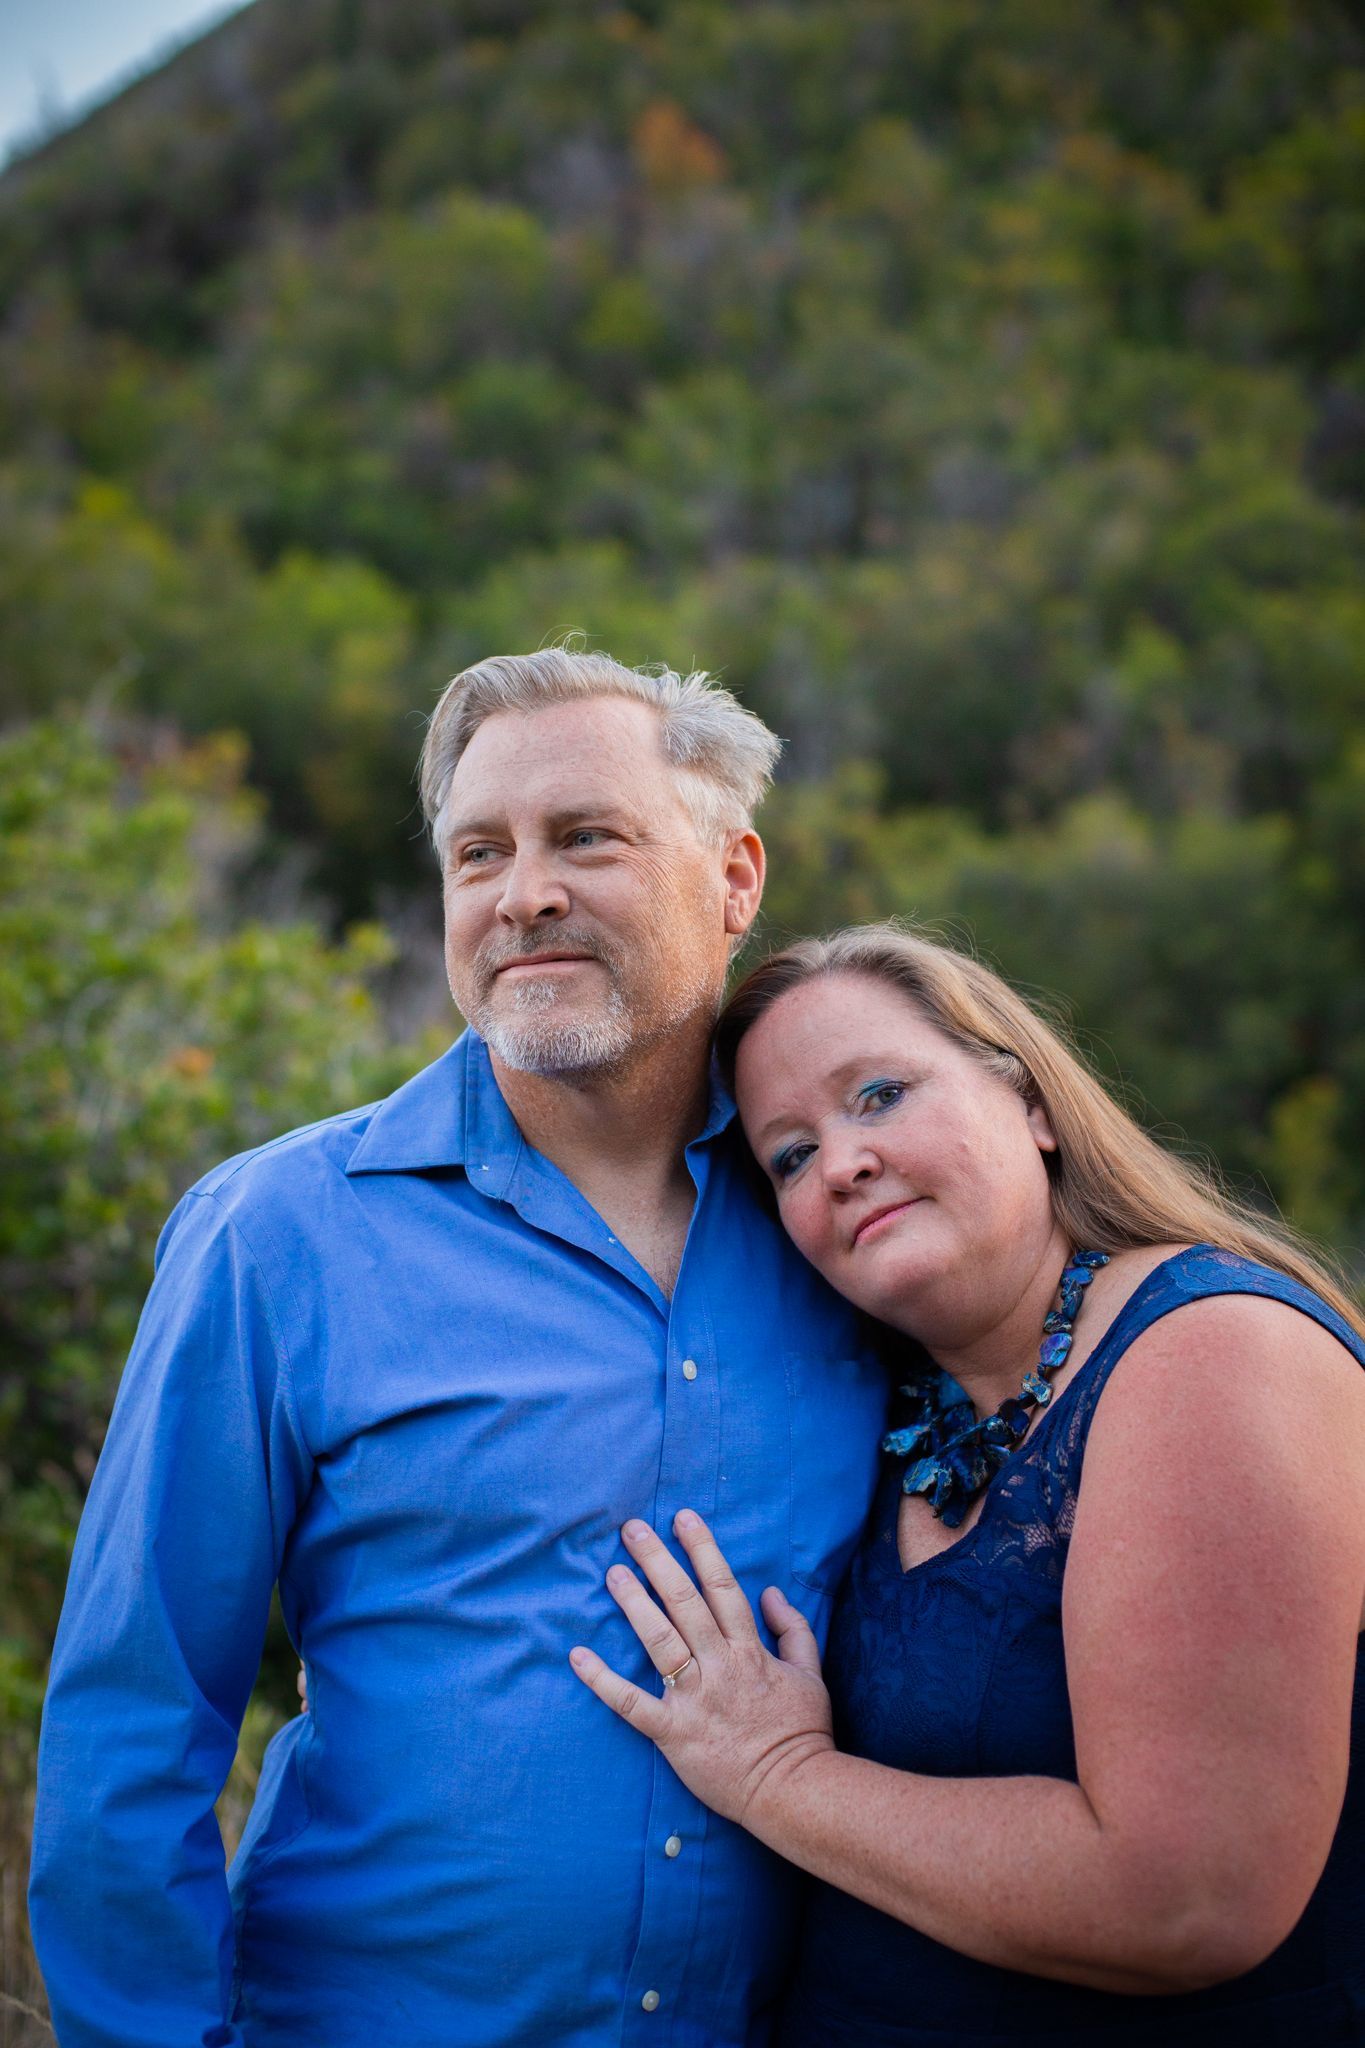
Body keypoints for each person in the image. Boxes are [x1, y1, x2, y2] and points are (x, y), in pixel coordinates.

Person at [27, 652, 890, 2048]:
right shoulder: (278, 1236)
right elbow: (134, 1723)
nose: (523, 893)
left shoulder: (847, 1222)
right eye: (478, 851)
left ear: (735, 880)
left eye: (586, 838)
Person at [571, 923, 1365, 2045]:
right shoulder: (884, 1406)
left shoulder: (1213, 1351)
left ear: (1032, 1104)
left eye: (881, 1094)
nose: (841, 1161)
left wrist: (778, 1773)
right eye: (789, 1155)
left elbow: (1188, 1894)